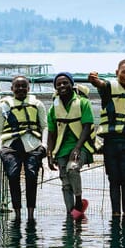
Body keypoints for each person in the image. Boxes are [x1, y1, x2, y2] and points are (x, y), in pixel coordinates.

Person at [88, 59, 125, 216]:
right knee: (113, 179)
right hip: (111, 142)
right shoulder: (108, 88)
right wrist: (93, 80)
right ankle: (115, 214)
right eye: (124, 72)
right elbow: (99, 84)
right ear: (117, 73)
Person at [0, 75, 47, 218]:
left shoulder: (37, 104)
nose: (20, 89)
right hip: (10, 146)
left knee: (31, 175)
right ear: (12, 88)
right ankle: (17, 213)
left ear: (28, 88)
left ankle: (31, 214)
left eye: (23, 86)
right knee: (13, 175)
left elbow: (44, 126)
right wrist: (0, 147)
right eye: (17, 86)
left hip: (33, 145)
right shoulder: (4, 105)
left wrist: (44, 145)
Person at [46, 72, 95, 219]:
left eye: (65, 82)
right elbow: (51, 132)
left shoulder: (83, 102)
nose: (62, 86)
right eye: (59, 84)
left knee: (72, 169)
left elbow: (87, 126)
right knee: (65, 182)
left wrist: (77, 148)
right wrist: (50, 153)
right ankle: (71, 215)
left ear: (71, 84)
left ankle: (79, 202)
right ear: (55, 87)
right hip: (61, 148)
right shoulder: (53, 108)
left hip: (81, 145)